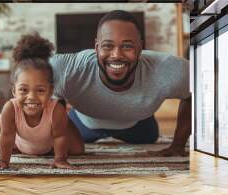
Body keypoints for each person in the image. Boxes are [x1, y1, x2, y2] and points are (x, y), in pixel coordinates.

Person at [50, 10, 191, 156]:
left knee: (150, 137)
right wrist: (53, 138)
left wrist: (178, 145)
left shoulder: (167, 68)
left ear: (140, 48)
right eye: (108, 46)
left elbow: (192, 93)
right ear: (97, 48)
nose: (116, 55)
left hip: (138, 126)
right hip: (83, 124)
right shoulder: (68, 68)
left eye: (127, 46)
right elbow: (36, 86)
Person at [0, 34, 85, 170]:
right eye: (23, 90)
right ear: (14, 90)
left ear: (50, 91)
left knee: (78, 150)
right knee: (3, 134)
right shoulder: (11, 108)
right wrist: (3, 160)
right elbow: (7, 135)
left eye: (40, 90)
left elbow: (60, 137)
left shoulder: (56, 109)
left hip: (49, 139)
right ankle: (7, 126)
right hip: (19, 140)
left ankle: (50, 137)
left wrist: (60, 159)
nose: (32, 97)